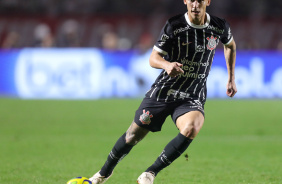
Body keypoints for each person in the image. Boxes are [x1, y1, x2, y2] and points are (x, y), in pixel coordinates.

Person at [89, 0, 237, 183]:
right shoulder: (174, 25)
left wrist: (231, 78)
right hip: (165, 91)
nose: (195, 5)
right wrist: (167, 65)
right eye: (191, 0)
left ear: (207, 1)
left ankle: (150, 173)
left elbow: (230, 45)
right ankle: (103, 174)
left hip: (192, 94)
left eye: (200, 0)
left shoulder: (219, 26)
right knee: (132, 136)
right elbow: (153, 58)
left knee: (191, 127)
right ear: (185, 1)